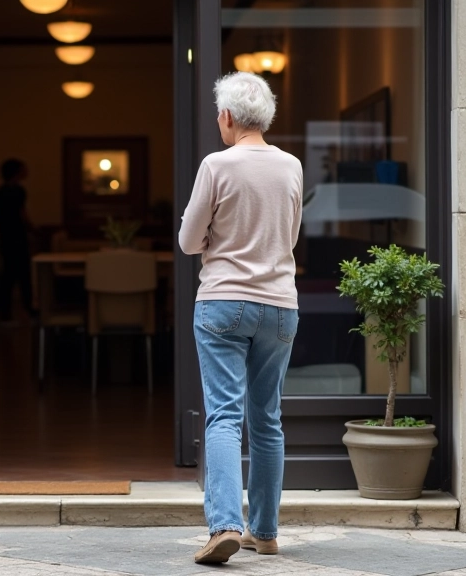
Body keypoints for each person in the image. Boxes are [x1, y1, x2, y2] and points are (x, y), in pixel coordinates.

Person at [178, 72, 303, 564]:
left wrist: (217, 241)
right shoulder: (291, 166)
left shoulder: (217, 165)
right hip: (279, 305)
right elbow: (289, 236)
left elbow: (189, 241)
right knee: (267, 419)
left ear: (227, 117)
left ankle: (226, 525)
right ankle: (265, 531)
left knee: (224, 417)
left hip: (223, 303)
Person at [0, 158, 35, 323]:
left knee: (9, 276)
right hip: (16, 237)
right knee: (22, 275)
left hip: (6, 237)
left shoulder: (1, 191)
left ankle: (6, 314)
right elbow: (22, 214)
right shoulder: (17, 191)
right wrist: (33, 231)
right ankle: (29, 311)